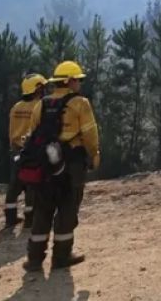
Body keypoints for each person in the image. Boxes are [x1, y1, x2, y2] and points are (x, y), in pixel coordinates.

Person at [23, 60, 100, 272]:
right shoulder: (80, 103)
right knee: (68, 209)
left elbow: (32, 133)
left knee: (42, 209)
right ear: (70, 81)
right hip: (72, 162)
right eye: (78, 80)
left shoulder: (42, 104)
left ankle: (34, 259)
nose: (80, 84)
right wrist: (94, 155)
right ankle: (62, 257)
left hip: (46, 164)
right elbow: (90, 134)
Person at [4, 73, 47, 229]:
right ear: (37, 89)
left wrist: (13, 147)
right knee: (32, 184)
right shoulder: (40, 106)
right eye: (42, 87)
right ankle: (30, 218)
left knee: (14, 185)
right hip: (31, 149)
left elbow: (10, 130)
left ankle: (10, 218)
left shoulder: (16, 107)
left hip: (16, 149)